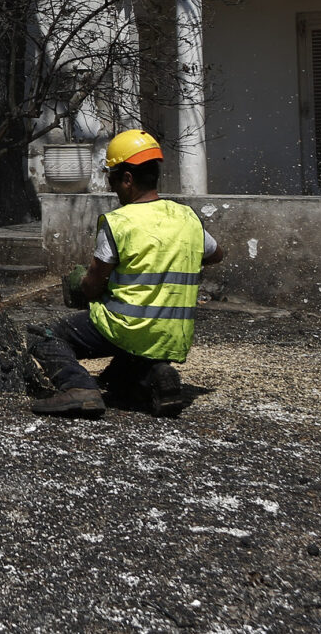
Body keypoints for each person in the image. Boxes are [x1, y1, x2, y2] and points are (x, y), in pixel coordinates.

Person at [32, 129, 224, 419]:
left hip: (128, 328)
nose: (112, 188)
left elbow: (92, 287)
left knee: (45, 335)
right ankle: (154, 375)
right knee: (115, 383)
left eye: (112, 180)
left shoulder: (119, 222)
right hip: (171, 335)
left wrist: (80, 283)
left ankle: (78, 388)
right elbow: (216, 254)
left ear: (128, 179)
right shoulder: (187, 217)